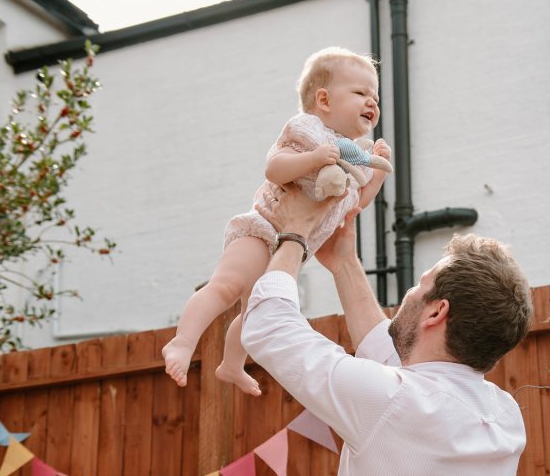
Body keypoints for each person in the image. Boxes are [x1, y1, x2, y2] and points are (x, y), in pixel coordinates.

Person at [240, 186, 532, 476]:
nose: (411, 293)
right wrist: (344, 262)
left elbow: (268, 326)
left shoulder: (394, 404)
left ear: (438, 311)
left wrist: (291, 235)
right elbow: (394, 365)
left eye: (420, 284)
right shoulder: (502, 414)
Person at [162, 47, 391, 396]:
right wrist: (313, 158)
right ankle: (181, 341)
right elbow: (274, 167)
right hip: (262, 230)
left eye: (374, 95)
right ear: (324, 100)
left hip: (290, 249)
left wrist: (374, 175)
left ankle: (232, 365)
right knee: (227, 287)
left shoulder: (352, 155)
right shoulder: (307, 132)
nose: (371, 101)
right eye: (360, 93)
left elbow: (354, 203)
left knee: (255, 312)